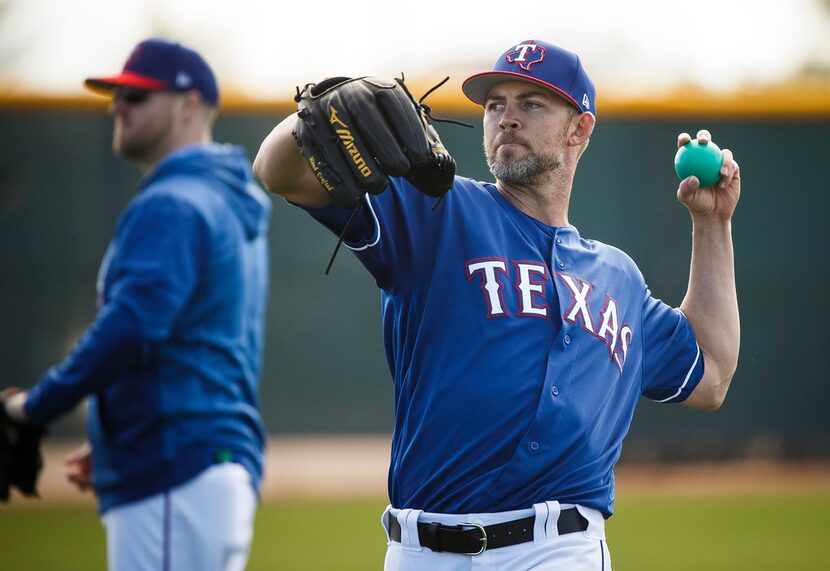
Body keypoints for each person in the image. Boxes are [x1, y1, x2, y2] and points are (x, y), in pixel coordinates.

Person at [254, 38, 740, 570]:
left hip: (558, 548)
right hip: (422, 549)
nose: (507, 118)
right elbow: (278, 172)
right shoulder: (437, 212)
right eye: (494, 105)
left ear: (580, 129)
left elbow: (711, 375)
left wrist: (712, 222)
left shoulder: (616, 277)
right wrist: (324, 107)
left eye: (531, 104)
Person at [2, 38, 272, 571]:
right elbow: (189, 341)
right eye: (117, 94)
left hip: (176, 465)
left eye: (137, 95)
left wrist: (35, 407)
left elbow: (131, 327)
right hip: (204, 457)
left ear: (189, 103)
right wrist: (117, 433)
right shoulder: (228, 198)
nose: (117, 106)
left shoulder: (173, 202)